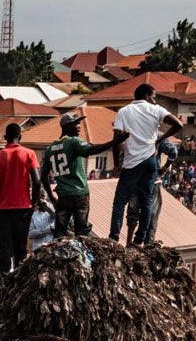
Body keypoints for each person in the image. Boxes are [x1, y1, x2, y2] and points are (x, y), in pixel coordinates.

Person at [110, 84, 183, 245]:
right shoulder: (156, 110)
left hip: (131, 163)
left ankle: (114, 237)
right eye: (153, 96)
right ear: (146, 95)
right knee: (147, 201)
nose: (155, 100)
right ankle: (140, 239)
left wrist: (116, 164)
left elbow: (117, 140)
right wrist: (159, 139)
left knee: (120, 200)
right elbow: (178, 125)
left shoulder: (123, 112)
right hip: (150, 161)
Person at [41, 112, 121, 238]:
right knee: (81, 232)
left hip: (63, 196)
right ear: (66, 127)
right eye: (75, 123)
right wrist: (114, 142)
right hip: (79, 195)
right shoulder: (74, 141)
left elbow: (43, 176)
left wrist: (51, 196)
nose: (79, 126)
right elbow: (92, 150)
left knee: (60, 232)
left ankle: (58, 256)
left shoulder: (50, 148)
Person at [0, 123, 40, 275]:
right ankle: (18, 279)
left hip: (3, 210)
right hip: (23, 208)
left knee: (4, 248)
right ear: (20, 137)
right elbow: (37, 181)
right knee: (20, 248)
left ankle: (4, 279)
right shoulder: (29, 154)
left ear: (5, 138)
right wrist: (33, 203)